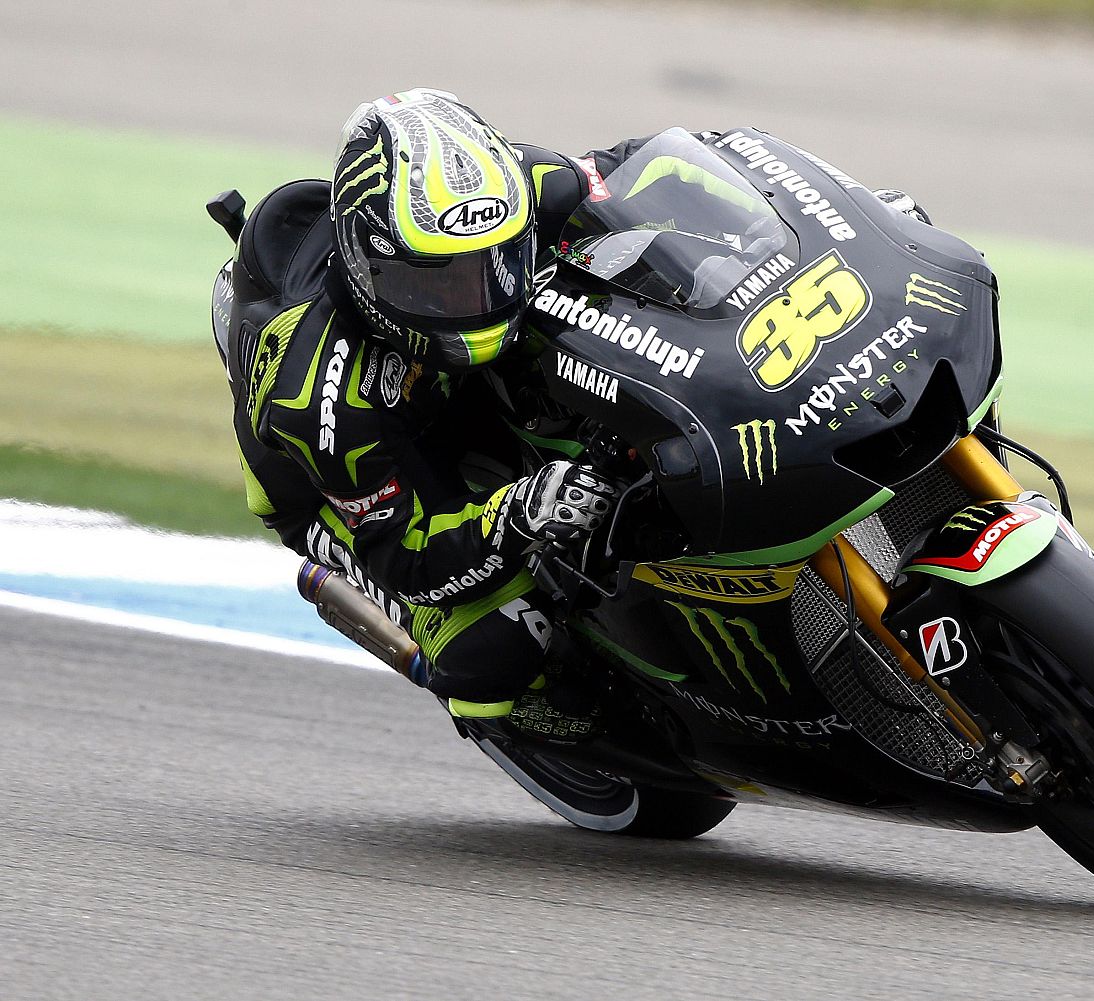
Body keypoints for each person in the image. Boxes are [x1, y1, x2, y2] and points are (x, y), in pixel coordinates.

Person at [212, 88, 926, 743]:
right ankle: (577, 727)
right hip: (349, 489)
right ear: (371, 270)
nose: (475, 297)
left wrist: (842, 221)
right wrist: (517, 513)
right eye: (441, 281)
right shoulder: (321, 393)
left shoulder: (531, 186)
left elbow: (666, 182)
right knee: (493, 656)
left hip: (458, 385)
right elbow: (410, 553)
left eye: (494, 264)